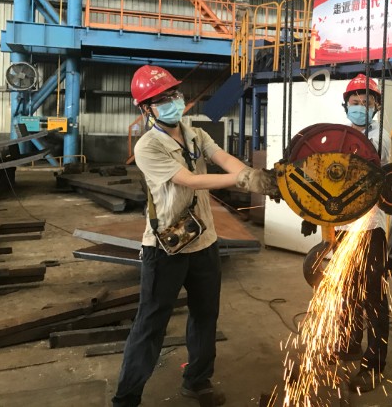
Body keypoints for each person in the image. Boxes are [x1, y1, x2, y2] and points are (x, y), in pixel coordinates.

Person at [112, 65, 278, 407]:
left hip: (203, 241)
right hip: (166, 249)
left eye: (174, 94)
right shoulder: (147, 147)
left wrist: (251, 174)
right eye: (162, 99)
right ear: (146, 109)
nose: (173, 102)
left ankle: (197, 381)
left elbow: (222, 158)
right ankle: (126, 398)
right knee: (150, 325)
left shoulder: (194, 134)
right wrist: (242, 181)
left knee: (205, 316)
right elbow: (189, 180)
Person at [337, 74, 391, 393]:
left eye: (366, 102)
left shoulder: (379, 136)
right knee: (347, 292)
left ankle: (375, 364)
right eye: (354, 102)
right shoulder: (339, 134)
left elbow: (355, 170)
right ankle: (350, 343)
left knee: (373, 297)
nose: (359, 107)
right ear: (345, 105)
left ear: (376, 106)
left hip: (370, 228)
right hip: (344, 227)